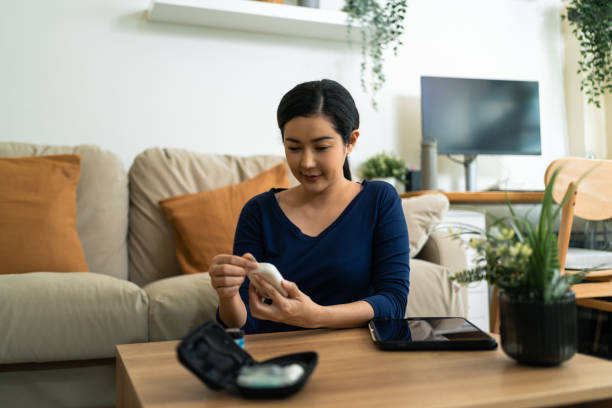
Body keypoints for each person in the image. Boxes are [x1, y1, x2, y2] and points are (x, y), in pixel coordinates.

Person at [209, 79, 410, 334]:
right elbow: (242, 322)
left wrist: (316, 316)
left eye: (321, 147)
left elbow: (393, 302)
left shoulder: (380, 200)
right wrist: (227, 296)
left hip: (354, 355)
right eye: (293, 147)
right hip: (277, 362)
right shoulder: (258, 212)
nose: (306, 162)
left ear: (351, 141)